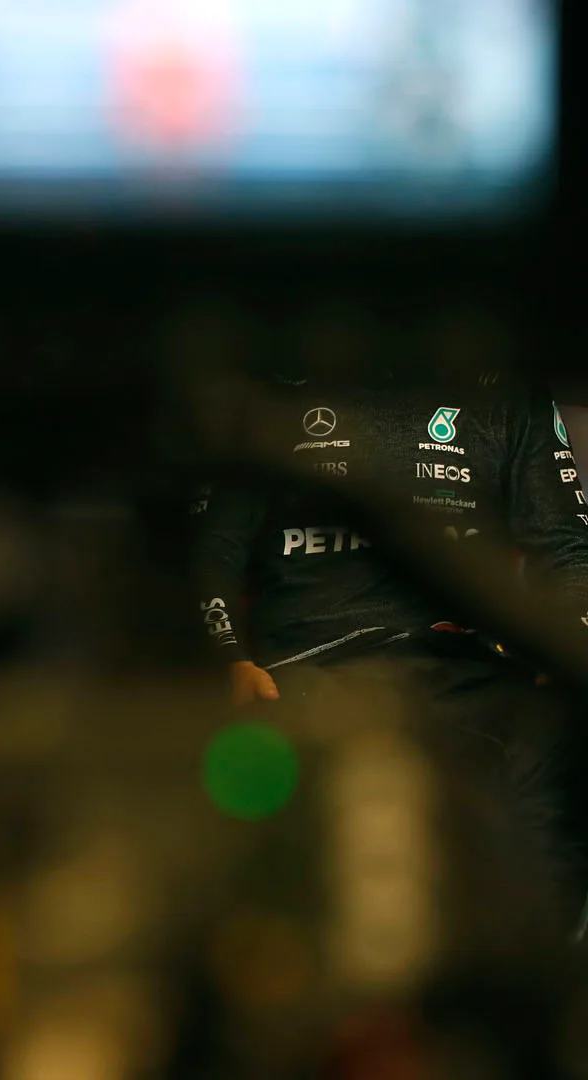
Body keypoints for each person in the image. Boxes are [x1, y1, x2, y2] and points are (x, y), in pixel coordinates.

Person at [190, 360, 588, 924]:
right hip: (308, 670)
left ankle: (536, 960)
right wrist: (230, 657)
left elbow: (569, 553)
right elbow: (214, 551)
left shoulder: (505, 394)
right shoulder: (278, 381)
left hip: (466, 666)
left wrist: (567, 650)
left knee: (558, 739)